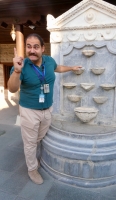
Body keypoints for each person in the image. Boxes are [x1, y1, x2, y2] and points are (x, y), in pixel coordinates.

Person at [8, 33, 81, 185]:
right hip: (29, 111)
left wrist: (71, 68)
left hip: (47, 109)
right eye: (29, 47)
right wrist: (16, 71)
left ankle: (33, 156)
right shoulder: (22, 66)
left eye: (36, 47)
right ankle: (32, 169)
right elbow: (13, 89)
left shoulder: (49, 61)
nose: (32, 50)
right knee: (30, 142)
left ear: (42, 48)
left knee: (38, 138)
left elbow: (58, 68)